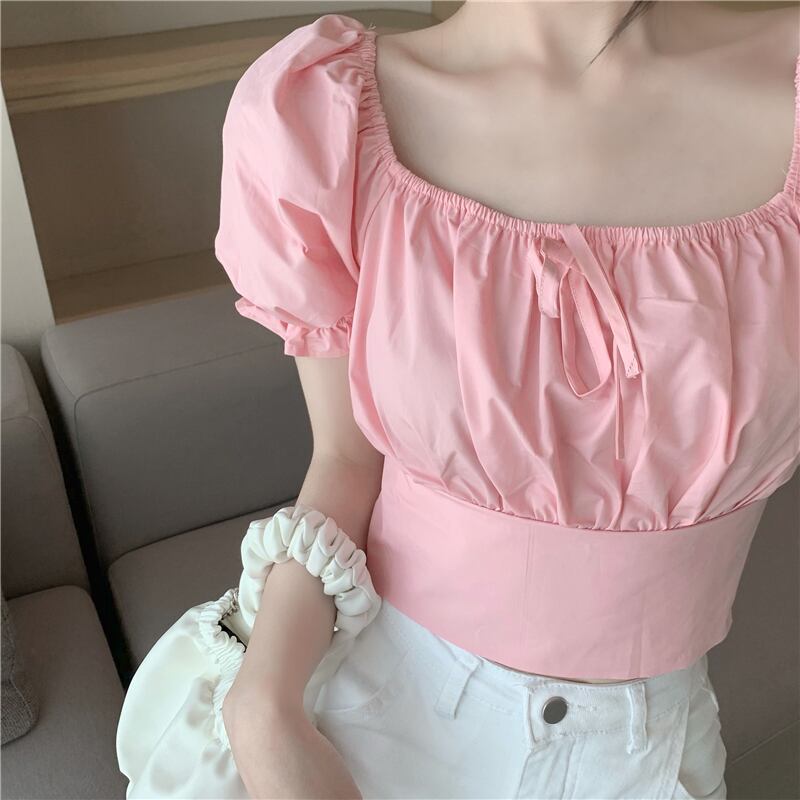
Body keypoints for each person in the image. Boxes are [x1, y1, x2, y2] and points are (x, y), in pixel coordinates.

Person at [213, 2, 800, 798]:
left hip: (653, 751)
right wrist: (264, 707)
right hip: (373, 728)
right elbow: (346, 462)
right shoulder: (324, 113)